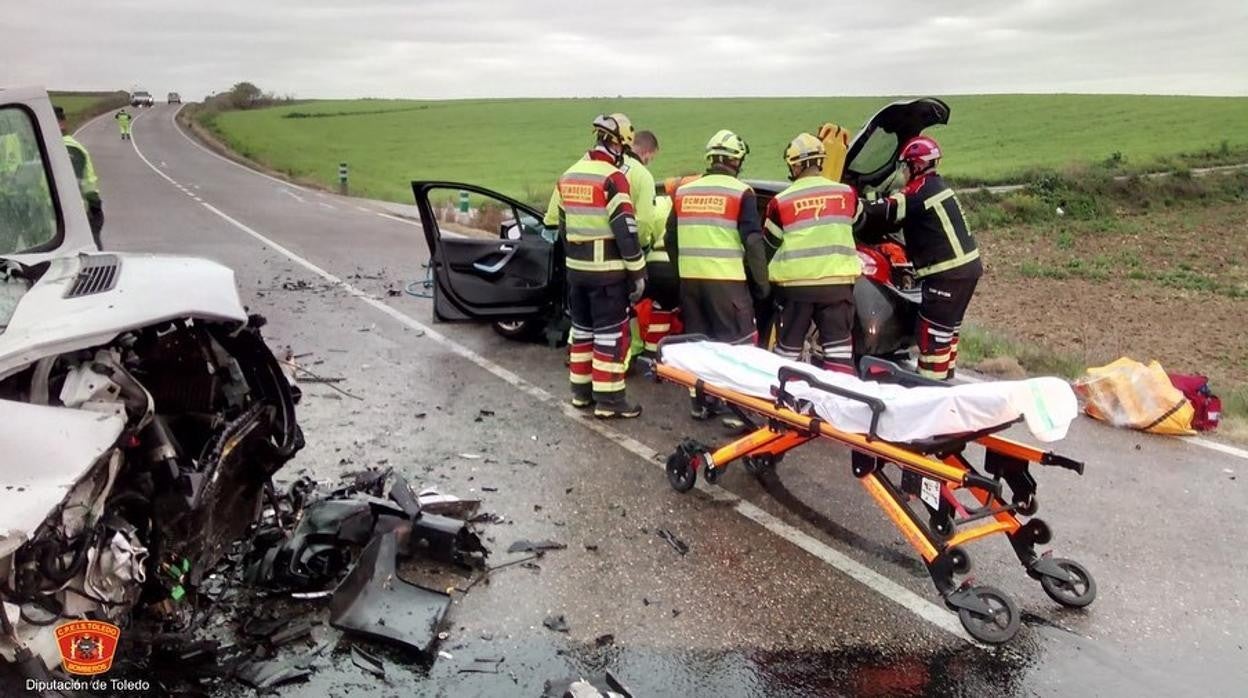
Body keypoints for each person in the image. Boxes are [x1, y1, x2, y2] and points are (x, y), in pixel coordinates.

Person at [546, 114, 646, 418]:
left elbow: (562, 228)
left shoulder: (569, 175)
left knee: (583, 332)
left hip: (576, 274)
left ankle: (581, 394)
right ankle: (610, 401)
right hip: (608, 276)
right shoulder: (612, 178)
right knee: (610, 337)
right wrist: (638, 271)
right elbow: (625, 230)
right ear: (617, 144)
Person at [665, 129, 769, 419]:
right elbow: (752, 241)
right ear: (736, 161)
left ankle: (700, 403)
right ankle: (737, 411)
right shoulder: (740, 192)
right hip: (728, 284)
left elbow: (669, 238)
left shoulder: (684, 192)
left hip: (691, 284)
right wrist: (762, 284)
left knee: (699, 345)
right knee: (738, 345)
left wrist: (682, 271)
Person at [859, 136, 982, 379]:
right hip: (966, 271)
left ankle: (929, 389)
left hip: (947, 274)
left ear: (915, 166)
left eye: (905, 167)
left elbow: (885, 210)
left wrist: (857, 204)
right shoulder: (937, 186)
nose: (903, 172)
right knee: (947, 333)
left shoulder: (918, 192)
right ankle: (945, 380)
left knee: (932, 335)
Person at [764, 133, 861, 373]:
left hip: (796, 289)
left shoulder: (781, 201)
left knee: (787, 353)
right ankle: (839, 404)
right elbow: (858, 222)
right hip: (838, 286)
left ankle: (786, 402)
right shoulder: (847, 194)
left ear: (796, 165)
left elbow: (768, 244)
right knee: (839, 353)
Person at [56, 106, 104, 247]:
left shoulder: (68, 148)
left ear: (62, 123)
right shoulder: (67, 147)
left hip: (69, 213)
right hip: (75, 213)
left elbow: (75, 184)